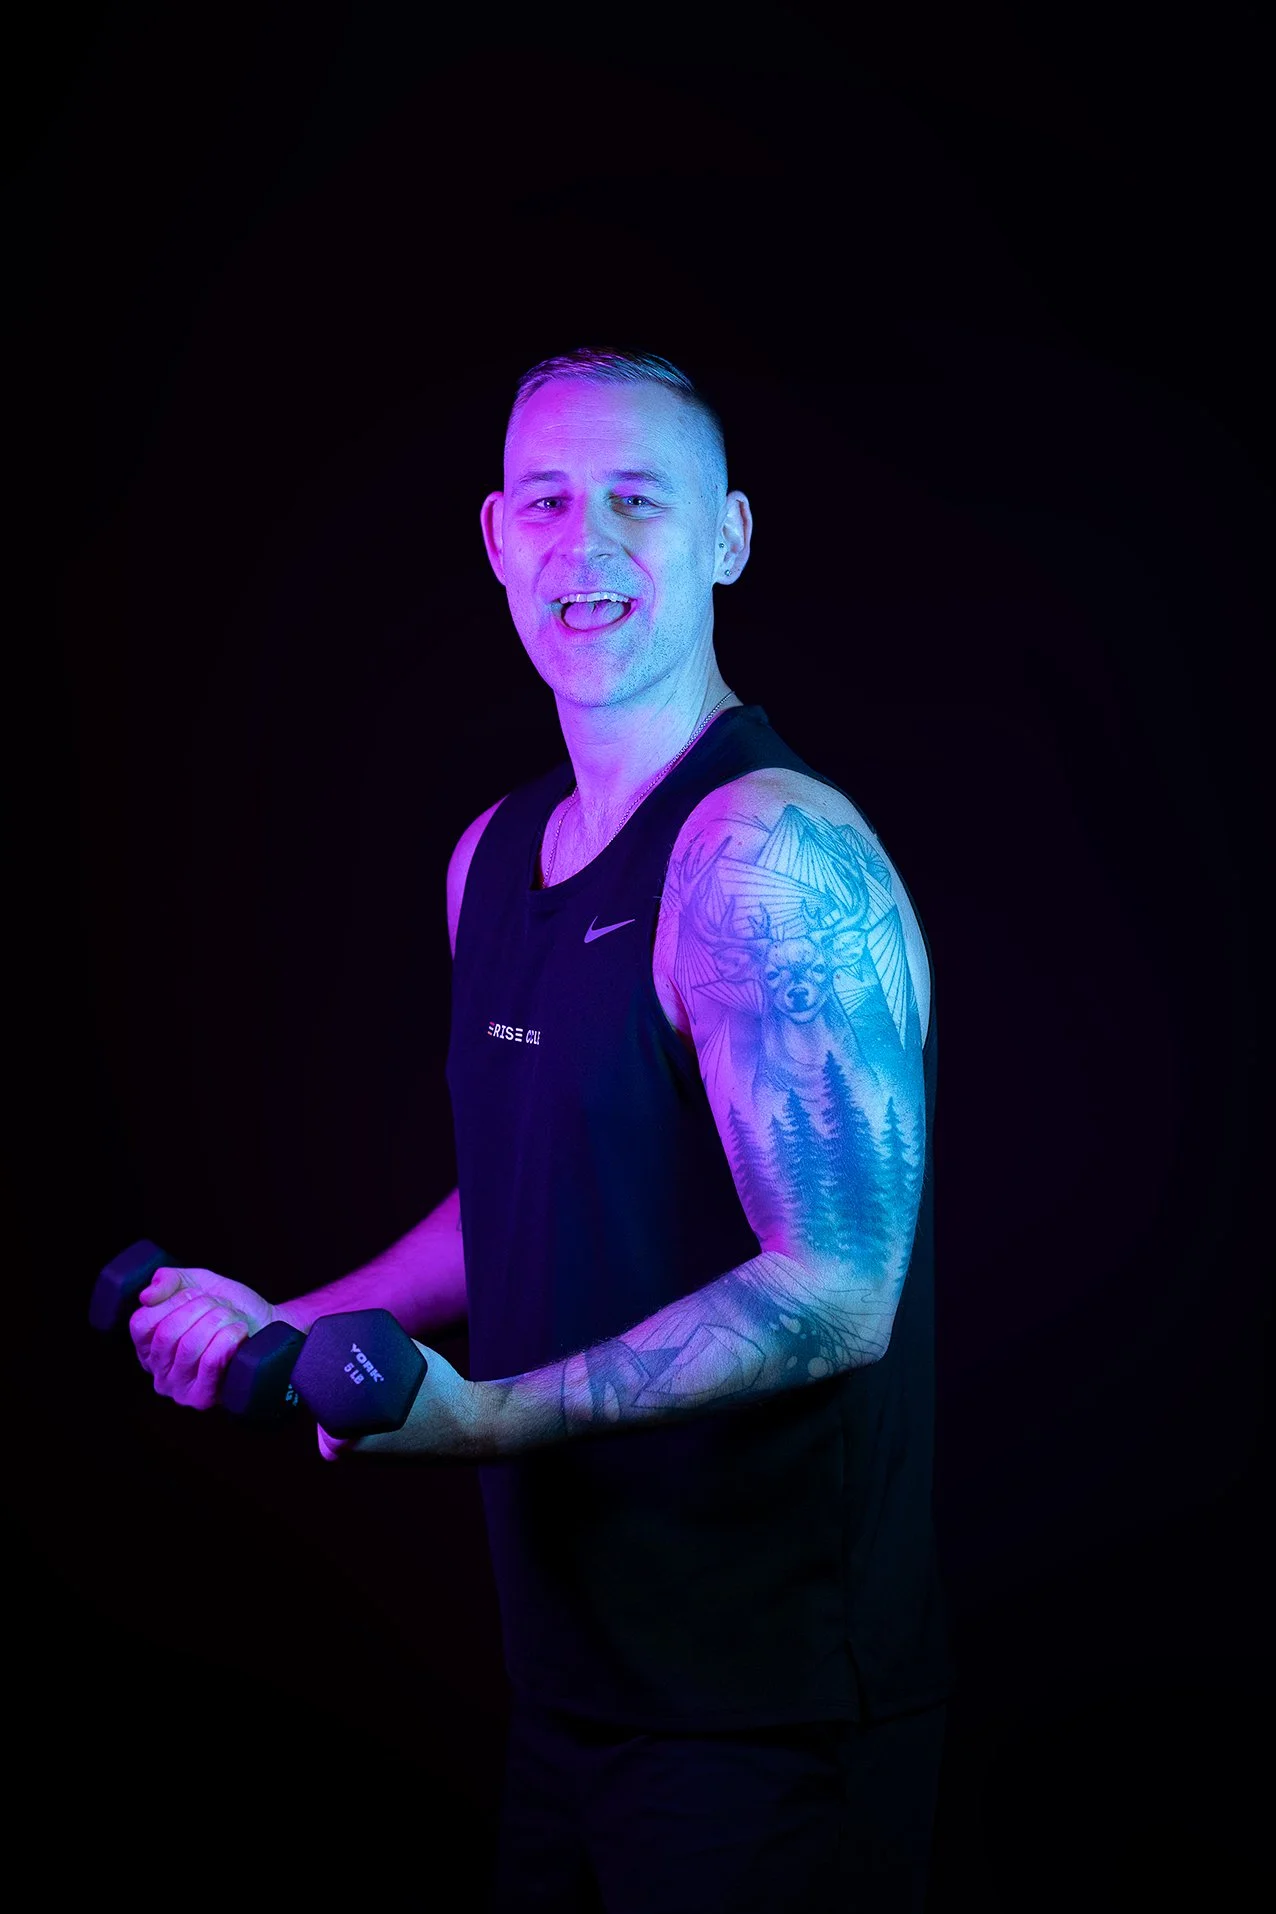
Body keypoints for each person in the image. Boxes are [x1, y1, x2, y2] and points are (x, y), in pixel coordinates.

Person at [128, 348, 956, 1912]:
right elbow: (529, 1189)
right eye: (551, 502)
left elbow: (842, 1281)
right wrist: (294, 1319)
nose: (589, 544)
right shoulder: (492, 856)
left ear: (728, 538)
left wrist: (482, 1418)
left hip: (767, 1720)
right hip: (569, 1688)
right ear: (498, 539)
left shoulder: (769, 855)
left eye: (640, 500)